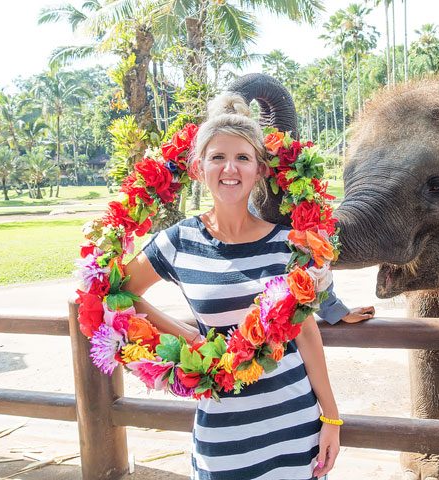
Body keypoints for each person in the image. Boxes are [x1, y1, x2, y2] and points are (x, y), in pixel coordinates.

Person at [122, 92, 374, 480]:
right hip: (223, 432)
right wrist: (185, 335)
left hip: (296, 424)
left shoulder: (289, 243)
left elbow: (305, 332)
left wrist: (331, 418)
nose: (230, 168)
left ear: (260, 170)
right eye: (218, 157)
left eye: (243, 158)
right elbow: (121, 291)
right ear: (197, 168)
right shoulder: (178, 241)